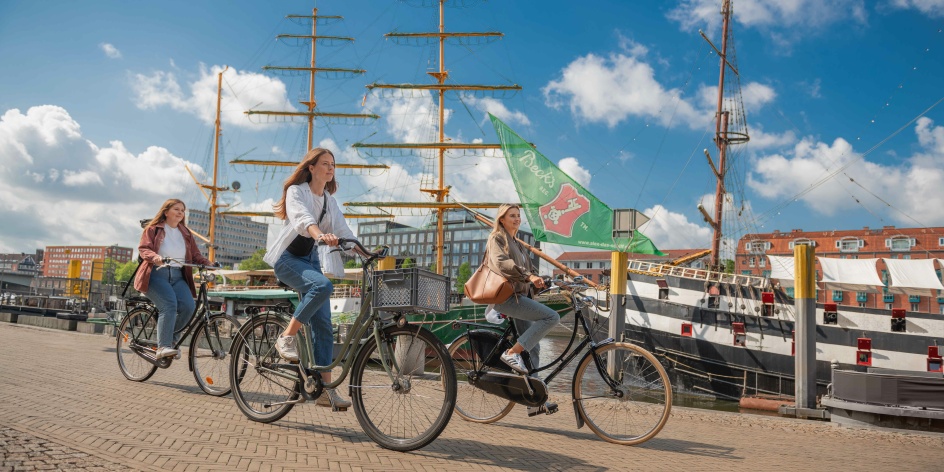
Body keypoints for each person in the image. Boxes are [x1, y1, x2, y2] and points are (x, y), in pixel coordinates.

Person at [263, 147, 359, 410]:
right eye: (325, 163)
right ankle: (286, 337)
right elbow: (301, 219)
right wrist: (319, 235)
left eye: (333, 164)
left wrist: (364, 250)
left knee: (325, 328)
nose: (330, 168)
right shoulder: (298, 191)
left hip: (311, 259)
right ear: (312, 168)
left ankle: (325, 391)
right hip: (288, 258)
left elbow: (342, 230)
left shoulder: (329, 200)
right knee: (323, 285)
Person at [486, 203, 560, 415]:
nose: (517, 219)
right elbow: (502, 263)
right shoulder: (497, 238)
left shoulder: (517, 243)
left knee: (534, 347)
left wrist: (548, 280)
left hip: (520, 296)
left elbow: (528, 270)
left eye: (518, 216)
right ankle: (510, 352)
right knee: (551, 317)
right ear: (502, 219)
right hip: (507, 297)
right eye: (512, 216)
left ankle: (532, 400)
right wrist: (529, 276)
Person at [134, 199, 213, 359]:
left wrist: (209, 264)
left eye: (182, 210)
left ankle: (172, 342)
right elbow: (144, 248)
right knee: (169, 305)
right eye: (176, 209)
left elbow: (195, 255)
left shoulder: (185, 233)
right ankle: (162, 347)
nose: (180, 212)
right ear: (166, 211)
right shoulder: (153, 229)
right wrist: (155, 257)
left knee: (189, 307)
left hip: (178, 276)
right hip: (155, 274)